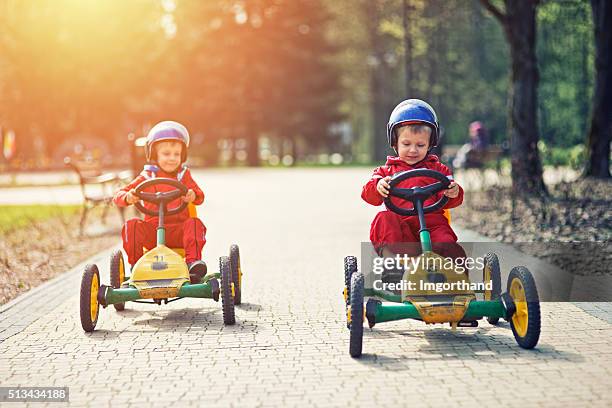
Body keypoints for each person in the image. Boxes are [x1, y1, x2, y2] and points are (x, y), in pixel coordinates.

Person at [361, 99, 465, 261]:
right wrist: (377, 186)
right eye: (406, 143)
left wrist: (454, 191)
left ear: (430, 143)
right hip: (401, 229)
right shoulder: (385, 171)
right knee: (384, 219)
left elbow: (453, 199)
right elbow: (369, 196)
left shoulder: (439, 170)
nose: (413, 150)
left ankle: (455, 278)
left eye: (420, 145)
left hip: (433, 225)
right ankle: (394, 264)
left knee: (448, 245)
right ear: (394, 141)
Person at [113, 121, 208, 284]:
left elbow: (200, 196)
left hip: (179, 232)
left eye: (176, 154)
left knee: (194, 224)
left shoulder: (183, 176)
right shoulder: (147, 176)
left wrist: (193, 195)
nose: (172, 159)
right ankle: (136, 265)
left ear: (182, 156)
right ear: (154, 155)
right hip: (153, 232)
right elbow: (118, 195)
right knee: (132, 225)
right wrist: (128, 196)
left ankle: (193, 264)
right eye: (166, 154)